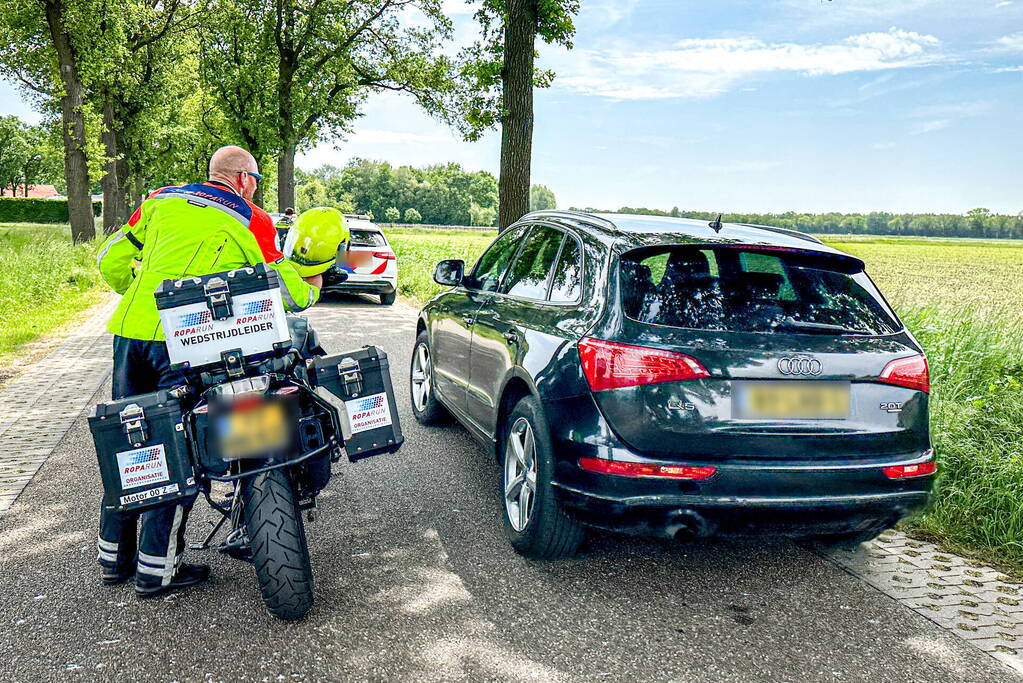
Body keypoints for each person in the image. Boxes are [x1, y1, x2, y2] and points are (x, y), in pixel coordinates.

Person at [94, 146, 332, 598]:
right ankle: (155, 570)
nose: (256, 185)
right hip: (182, 345)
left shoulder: (160, 200)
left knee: (130, 439)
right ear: (243, 179)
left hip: (130, 334)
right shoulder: (251, 219)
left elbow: (109, 260)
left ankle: (113, 558)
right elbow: (285, 289)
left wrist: (143, 296)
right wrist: (311, 288)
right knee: (176, 450)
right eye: (257, 178)